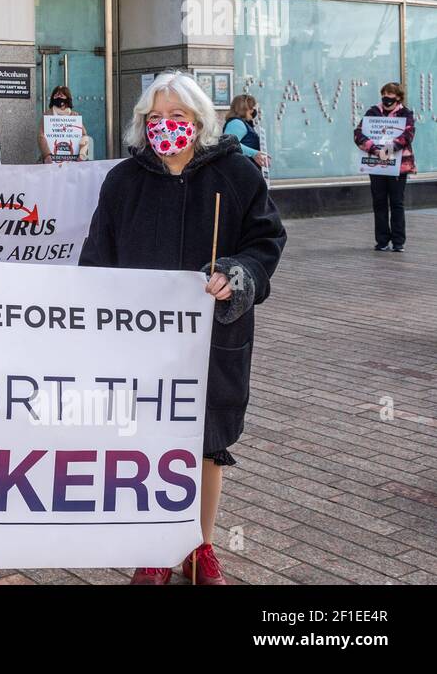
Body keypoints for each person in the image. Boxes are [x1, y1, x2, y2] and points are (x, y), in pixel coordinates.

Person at [79, 71, 286, 585]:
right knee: (147, 441)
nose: (165, 125)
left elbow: (267, 241)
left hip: (215, 337)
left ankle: (199, 545)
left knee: (204, 442)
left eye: (177, 116)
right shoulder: (123, 181)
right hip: (138, 342)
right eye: (155, 117)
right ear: (141, 124)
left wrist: (238, 275)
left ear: (198, 121)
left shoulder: (237, 176)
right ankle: (155, 548)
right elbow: (97, 257)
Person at [355, 81, 416, 253]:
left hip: (398, 166)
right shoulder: (372, 112)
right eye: (384, 94)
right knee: (379, 202)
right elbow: (358, 133)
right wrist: (375, 150)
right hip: (376, 166)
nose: (387, 98)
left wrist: (388, 150)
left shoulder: (406, 114)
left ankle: (398, 242)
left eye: (391, 95)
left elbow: (408, 134)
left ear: (398, 97)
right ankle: (381, 241)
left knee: (396, 203)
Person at [37, 85, 93, 162]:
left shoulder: (74, 116)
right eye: (56, 95)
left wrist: (82, 153)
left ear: (67, 98)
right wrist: (47, 155)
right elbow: (41, 136)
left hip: (73, 161)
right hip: (51, 161)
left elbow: (84, 136)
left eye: (61, 95)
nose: (58, 98)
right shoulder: (47, 115)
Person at [221, 94, 271, 169]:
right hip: (240, 171)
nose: (254, 111)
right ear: (244, 109)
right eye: (252, 108)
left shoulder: (243, 123)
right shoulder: (236, 123)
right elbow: (228, 144)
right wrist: (254, 153)